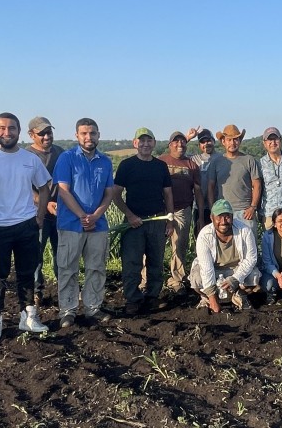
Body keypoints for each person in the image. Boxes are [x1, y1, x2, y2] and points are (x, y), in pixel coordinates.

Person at [0, 112, 51, 344]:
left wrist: (40, 215)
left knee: (27, 273)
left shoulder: (30, 159)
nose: (7, 133)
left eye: (12, 128)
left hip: (26, 225)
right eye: (2, 128)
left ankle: (27, 317)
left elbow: (45, 187)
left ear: (19, 132)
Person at [52, 118, 114, 328]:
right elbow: (63, 190)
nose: (89, 137)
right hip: (71, 223)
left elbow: (108, 193)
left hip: (98, 224)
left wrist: (96, 215)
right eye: (84, 133)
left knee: (96, 267)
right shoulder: (66, 159)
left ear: (98, 135)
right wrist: (81, 215)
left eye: (93, 133)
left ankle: (93, 308)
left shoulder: (105, 161)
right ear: (77, 135)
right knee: (68, 268)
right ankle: (68, 311)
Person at [113, 127, 174, 315]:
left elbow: (168, 194)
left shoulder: (160, 166)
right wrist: (130, 216)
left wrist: (170, 219)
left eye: (149, 140)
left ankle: (152, 296)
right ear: (135, 143)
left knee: (156, 261)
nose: (145, 144)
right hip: (133, 223)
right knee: (132, 262)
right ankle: (132, 299)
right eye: (142, 141)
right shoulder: (126, 165)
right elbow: (115, 195)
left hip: (157, 220)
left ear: (154, 143)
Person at [189, 199, 261, 313]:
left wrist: (235, 279)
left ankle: (240, 295)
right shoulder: (204, 235)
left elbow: (251, 258)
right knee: (197, 277)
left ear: (232, 217)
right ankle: (206, 298)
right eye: (219, 217)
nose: (223, 221)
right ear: (212, 218)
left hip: (235, 269)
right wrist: (213, 298)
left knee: (254, 275)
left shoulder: (245, 231)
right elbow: (206, 268)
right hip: (214, 270)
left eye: (227, 217)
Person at [158, 131, 205, 294]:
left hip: (182, 210)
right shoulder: (161, 161)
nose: (180, 145)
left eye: (183, 142)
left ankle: (177, 280)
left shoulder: (192, 165)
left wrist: (199, 215)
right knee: (154, 246)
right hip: (160, 210)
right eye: (176, 142)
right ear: (169, 145)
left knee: (179, 246)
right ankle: (148, 281)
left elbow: (198, 192)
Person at [26, 116, 64, 305]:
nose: (47, 136)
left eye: (49, 132)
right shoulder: (26, 156)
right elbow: (25, 187)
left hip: (61, 212)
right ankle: (36, 291)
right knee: (36, 255)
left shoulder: (60, 153)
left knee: (62, 254)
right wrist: (45, 203)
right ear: (31, 135)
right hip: (36, 214)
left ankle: (64, 288)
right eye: (42, 133)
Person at [207, 124, 262, 231]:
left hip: (245, 212)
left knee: (249, 246)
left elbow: (257, 185)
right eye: (229, 140)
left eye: (236, 139)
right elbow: (210, 187)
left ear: (240, 141)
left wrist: (253, 207)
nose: (232, 143)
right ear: (223, 142)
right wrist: (213, 209)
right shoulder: (216, 162)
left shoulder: (249, 160)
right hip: (224, 212)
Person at [190, 128, 221, 235]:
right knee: (200, 237)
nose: (206, 144)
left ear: (214, 141)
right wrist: (189, 137)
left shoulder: (222, 158)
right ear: (199, 145)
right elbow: (177, 153)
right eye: (202, 142)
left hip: (218, 206)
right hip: (200, 208)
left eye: (208, 141)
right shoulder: (194, 159)